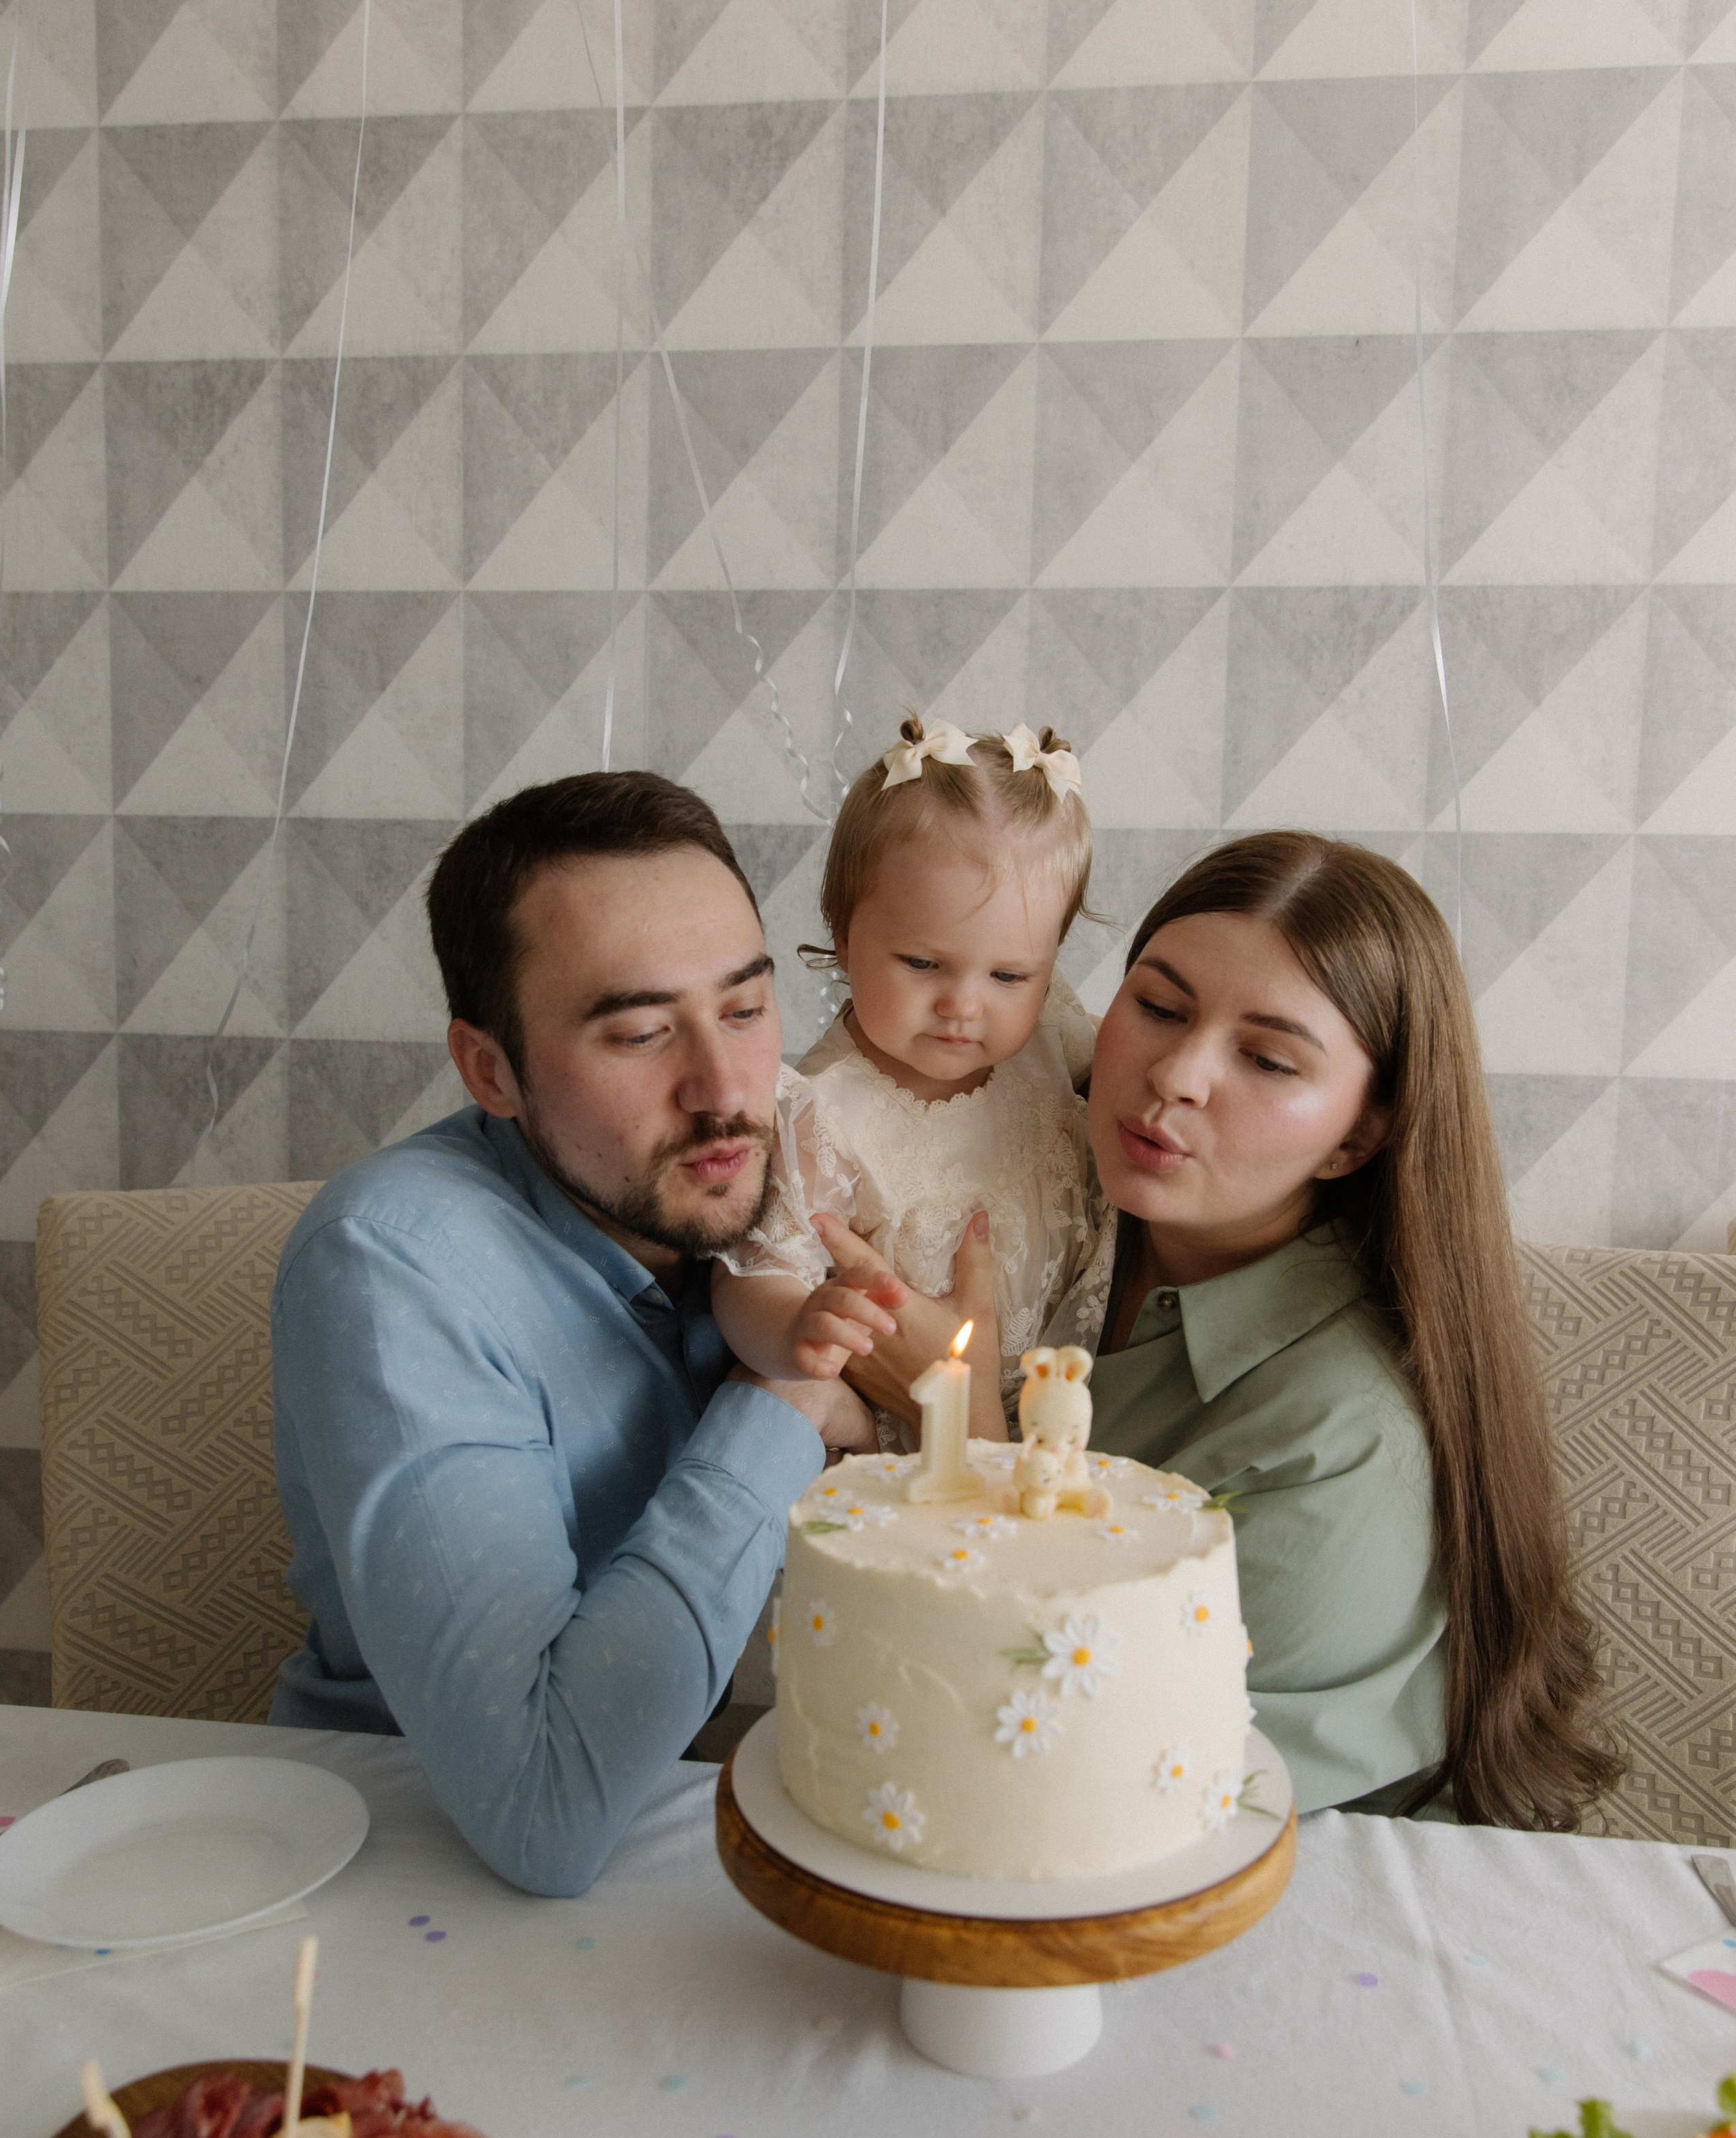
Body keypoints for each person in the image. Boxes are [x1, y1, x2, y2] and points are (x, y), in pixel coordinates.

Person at [821, 833, 1620, 1829]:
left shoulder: (1349, 1437)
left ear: (1358, 1136)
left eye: (1269, 1058)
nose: (1178, 1076)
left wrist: (968, 1430)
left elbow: (1110, 1775)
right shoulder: (1034, 1199)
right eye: (1156, 1007)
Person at [266, 773, 873, 1895]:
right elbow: (539, 1811)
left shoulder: (798, 1172)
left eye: (744, 1009)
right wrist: (783, 1396)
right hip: (408, 1878)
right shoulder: (390, 1262)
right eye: (642, 1034)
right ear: (491, 1069)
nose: (724, 1088)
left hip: (730, 1839)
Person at [711, 715, 1112, 1442]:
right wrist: (793, 1326)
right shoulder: (820, 1111)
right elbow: (752, 1278)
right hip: (906, 1438)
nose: (964, 1005)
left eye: (1009, 974)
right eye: (923, 964)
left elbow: (1127, 1083)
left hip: (1056, 1415)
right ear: (842, 930)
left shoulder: (1050, 1034)